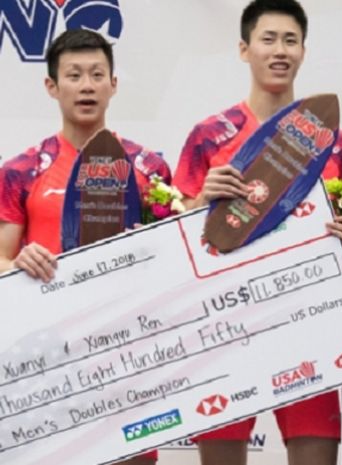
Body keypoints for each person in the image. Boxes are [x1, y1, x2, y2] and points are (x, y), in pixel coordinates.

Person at [172, 0, 342, 464]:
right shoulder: (209, 136)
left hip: (310, 323)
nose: (280, 51)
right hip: (225, 326)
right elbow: (174, 241)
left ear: (303, 52)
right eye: (268, 39)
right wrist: (198, 205)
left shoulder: (333, 140)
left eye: (290, 41)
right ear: (244, 49)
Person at [0, 29, 170, 465]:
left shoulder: (150, 168)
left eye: (98, 74)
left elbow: (176, 260)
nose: (87, 85)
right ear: (52, 87)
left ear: (114, 84)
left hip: (128, 350)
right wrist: (18, 263)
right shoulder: (21, 171)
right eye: (74, 75)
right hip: (46, 358)